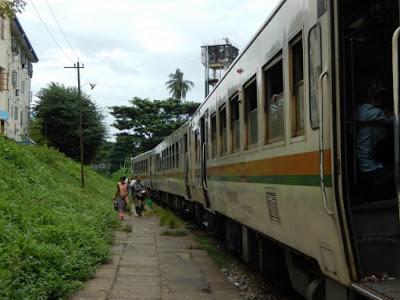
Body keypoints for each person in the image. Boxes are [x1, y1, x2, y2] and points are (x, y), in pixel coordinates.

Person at [356, 81, 395, 199]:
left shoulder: (361, 109)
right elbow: (394, 120)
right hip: (369, 166)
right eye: (378, 97)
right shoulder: (370, 112)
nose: (381, 100)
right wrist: (389, 113)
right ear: (370, 97)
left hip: (366, 162)